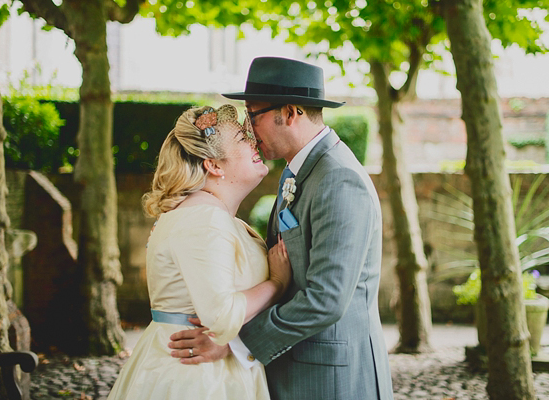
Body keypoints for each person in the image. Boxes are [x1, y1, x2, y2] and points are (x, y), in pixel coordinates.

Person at [169, 57, 394, 399]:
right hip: (302, 370)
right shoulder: (299, 170)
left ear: (289, 113)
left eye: (253, 114)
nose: (247, 128)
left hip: (333, 380)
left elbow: (326, 299)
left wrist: (237, 343)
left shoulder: (339, 179)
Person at [107, 104, 292, 399]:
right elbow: (221, 316)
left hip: (213, 369)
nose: (254, 141)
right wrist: (277, 284)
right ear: (214, 165)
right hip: (197, 378)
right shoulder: (203, 218)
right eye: (243, 140)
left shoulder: (214, 215)